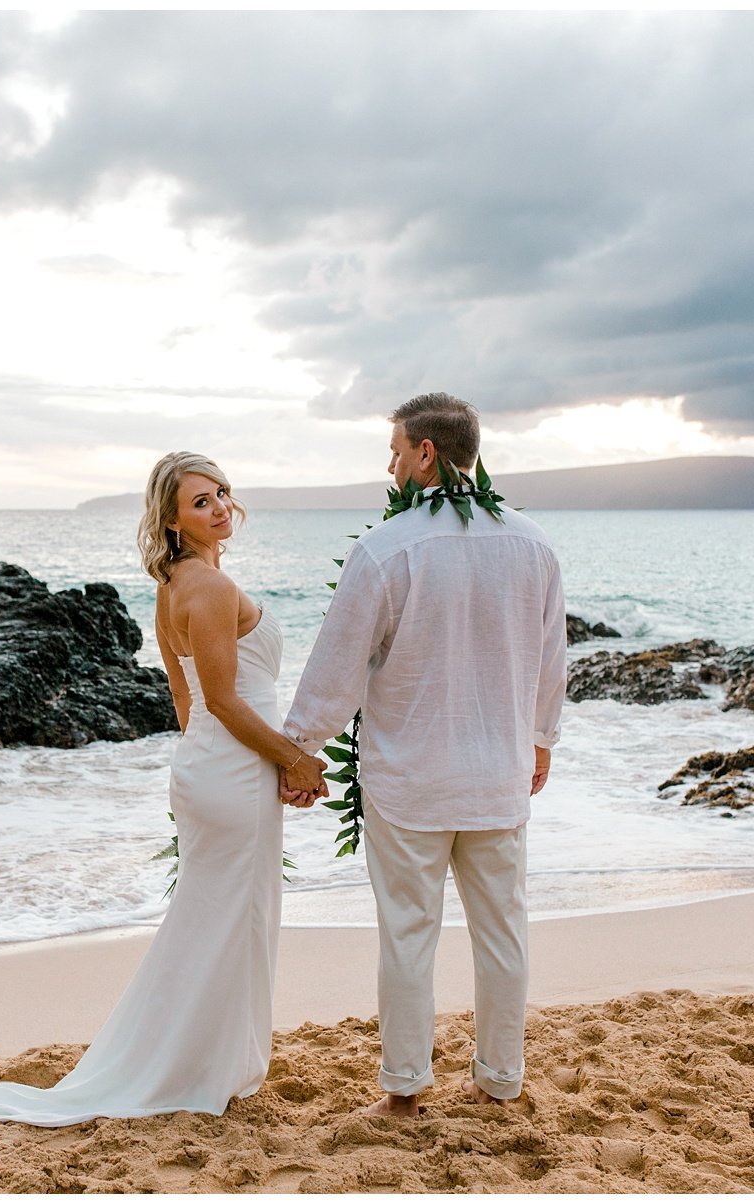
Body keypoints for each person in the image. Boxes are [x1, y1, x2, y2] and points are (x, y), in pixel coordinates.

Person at [0, 451, 327, 1139]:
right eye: (202, 500)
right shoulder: (203, 586)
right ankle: (195, 1068)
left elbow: (188, 701)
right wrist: (293, 761)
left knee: (214, 920)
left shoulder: (175, 581)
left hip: (214, 766)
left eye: (224, 494)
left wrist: (224, 765)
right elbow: (228, 703)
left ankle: (203, 1060)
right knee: (231, 922)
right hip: (231, 768)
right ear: (171, 518)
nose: (220, 507)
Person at [282, 392, 566, 1116]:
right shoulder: (533, 544)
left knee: (408, 937)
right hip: (497, 776)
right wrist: (540, 742)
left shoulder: (387, 549)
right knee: (504, 933)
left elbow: (338, 666)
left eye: (395, 451)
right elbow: (550, 661)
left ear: (425, 454)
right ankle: (500, 1082)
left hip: (410, 781)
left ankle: (406, 1091)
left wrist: (298, 752)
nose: (390, 464)